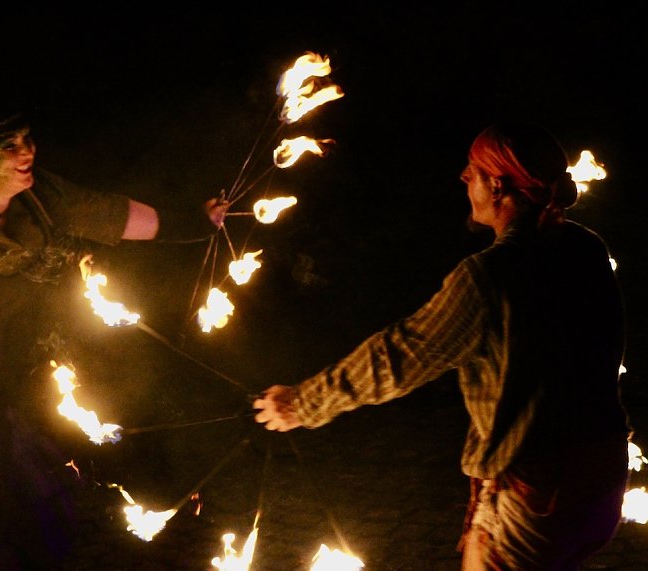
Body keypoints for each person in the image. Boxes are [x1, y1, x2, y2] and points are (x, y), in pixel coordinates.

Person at [252, 122, 632, 570]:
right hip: (601, 485)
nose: (462, 178)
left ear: (497, 185)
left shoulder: (488, 278)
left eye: (472, 170)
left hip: (537, 499)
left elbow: (395, 358)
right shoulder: (586, 248)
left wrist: (301, 403)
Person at [0, 98, 227, 570]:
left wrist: (196, 222)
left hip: (30, 358)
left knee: (46, 479)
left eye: (28, 139)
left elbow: (113, 215)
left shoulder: (46, 199)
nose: (27, 152)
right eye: (10, 145)